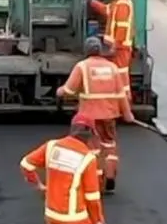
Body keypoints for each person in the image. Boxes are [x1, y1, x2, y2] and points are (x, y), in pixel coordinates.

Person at [56, 36, 135, 195]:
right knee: (109, 145)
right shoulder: (112, 67)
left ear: (86, 51)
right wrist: (128, 114)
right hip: (109, 116)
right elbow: (121, 94)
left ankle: (96, 183)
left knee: (93, 149)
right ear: (100, 51)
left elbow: (69, 91)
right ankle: (110, 177)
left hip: (89, 118)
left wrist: (60, 91)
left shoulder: (82, 67)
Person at [87, 0, 135, 98]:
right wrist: (92, 3)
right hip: (117, 48)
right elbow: (107, 10)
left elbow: (122, 27)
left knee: (121, 77)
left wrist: (115, 46)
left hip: (120, 49)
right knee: (116, 77)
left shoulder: (123, 4)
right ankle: (119, 101)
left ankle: (124, 101)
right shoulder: (117, 2)